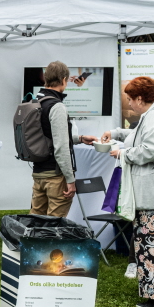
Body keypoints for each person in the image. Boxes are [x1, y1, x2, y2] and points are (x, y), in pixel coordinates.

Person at [101, 76, 154, 307]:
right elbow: (138, 135)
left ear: (140, 98)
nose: (130, 104)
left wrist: (125, 154)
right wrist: (117, 134)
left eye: (130, 99)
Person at [29, 61, 96, 217]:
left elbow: (47, 136)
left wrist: (79, 138)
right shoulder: (56, 106)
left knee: (35, 223)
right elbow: (60, 147)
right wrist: (70, 180)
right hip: (55, 175)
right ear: (64, 80)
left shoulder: (35, 101)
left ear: (46, 79)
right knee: (54, 227)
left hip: (39, 173)